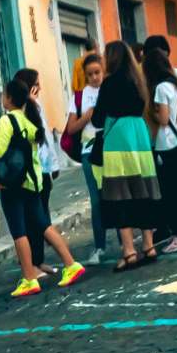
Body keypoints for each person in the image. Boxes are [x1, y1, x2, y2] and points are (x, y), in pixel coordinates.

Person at [0, 72, 88, 298]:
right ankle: (71, 264)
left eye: (3, 94)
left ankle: (29, 277)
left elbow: (0, 149)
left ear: (9, 98)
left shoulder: (6, 120)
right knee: (43, 225)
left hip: (12, 185)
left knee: (19, 231)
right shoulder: (28, 120)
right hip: (32, 182)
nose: (2, 98)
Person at [93, 41, 161, 271]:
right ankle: (149, 246)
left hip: (118, 139)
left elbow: (98, 118)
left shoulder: (109, 83)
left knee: (119, 194)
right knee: (143, 190)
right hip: (139, 136)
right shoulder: (138, 81)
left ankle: (129, 251)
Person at [144, 38, 177, 253]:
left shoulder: (160, 89)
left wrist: (151, 112)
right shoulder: (175, 84)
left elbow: (163, 118)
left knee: (170, 192)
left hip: (165, 144)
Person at [70, 52, 110, 263]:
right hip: (89, 151)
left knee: (117, 194)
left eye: (97, 72)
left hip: (111, 148)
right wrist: (87, 116)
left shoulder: (110, 90)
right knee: (97, 199)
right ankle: (100, 246)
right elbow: (71, 128)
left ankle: (126, 243)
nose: (95, 77)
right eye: (90, 74)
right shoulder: (79, 97)